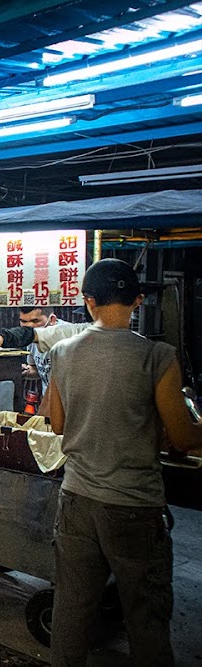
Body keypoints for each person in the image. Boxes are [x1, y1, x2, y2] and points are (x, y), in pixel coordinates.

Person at [47, 258, 202, 666]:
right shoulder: (158, 356)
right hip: (134, 506)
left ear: (88, 301)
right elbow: (184, 436)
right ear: (136, 300)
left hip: (77, 499)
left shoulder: (62, 353)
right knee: (145, 617)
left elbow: (58, 424)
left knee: (71, 609)